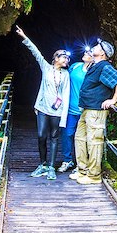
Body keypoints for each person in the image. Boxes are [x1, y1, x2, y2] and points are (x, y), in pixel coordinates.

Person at [16, 25, 70, 180]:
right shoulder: (46, 68)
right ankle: (43, 164)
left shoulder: (66, 75)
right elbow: (36, 53)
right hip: (42, 108)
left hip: (57, 111)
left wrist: (64, 116)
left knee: (54, 137)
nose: (66, 60)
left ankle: (51, 167)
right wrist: (25, 37)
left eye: (67, 58)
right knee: (41, 136)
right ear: (56, 58)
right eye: (63, 57)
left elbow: (65, 95)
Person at [72, 39, 117, 184]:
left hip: (96, 111)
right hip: (86, 108)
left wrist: (113, 100)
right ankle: (82, 170)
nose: (93, 47)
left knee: (94, 141)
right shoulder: (94, 65)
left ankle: (94, 175)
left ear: (102, 53)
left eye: (97, 46)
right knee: (80, 138)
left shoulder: (104, 67)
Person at [58, 49, 93, 173]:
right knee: (67, 134)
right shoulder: (75, 66)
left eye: (89, 53)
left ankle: (82, 163)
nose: (85, 53)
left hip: (85, 110)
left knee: (83, 137)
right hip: (70, 109)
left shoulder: (94, 71)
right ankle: (67, 160)